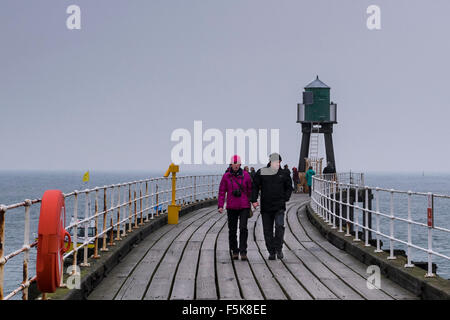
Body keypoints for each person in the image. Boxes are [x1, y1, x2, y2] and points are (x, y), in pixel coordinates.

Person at [251, 153, 293, 260]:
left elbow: (289, 187)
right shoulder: (262, 172)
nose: (277, 164)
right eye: (275, 162)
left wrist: (285, 197)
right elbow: (254, 185)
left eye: (278, 162)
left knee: (279, 227)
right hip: (266, 207)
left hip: (279, 206)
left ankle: (279, 248)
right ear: (270, 162)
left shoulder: (283, 173)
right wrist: (254, 200)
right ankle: (271, 252)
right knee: (267, 230)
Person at [218, 155, 253, 261]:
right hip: (231, 206)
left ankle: (243, 251)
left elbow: (250, 190)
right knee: (232, 230)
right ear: (231, 164)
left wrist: (253, 201)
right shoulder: (226, 176)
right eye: (234, 163)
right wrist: (220, 205)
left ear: (240, 164)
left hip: (244, 206)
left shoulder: (246, 175)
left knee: (243, 228)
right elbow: (222, 191)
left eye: (237, 163)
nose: (236, 165)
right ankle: (234, 250)